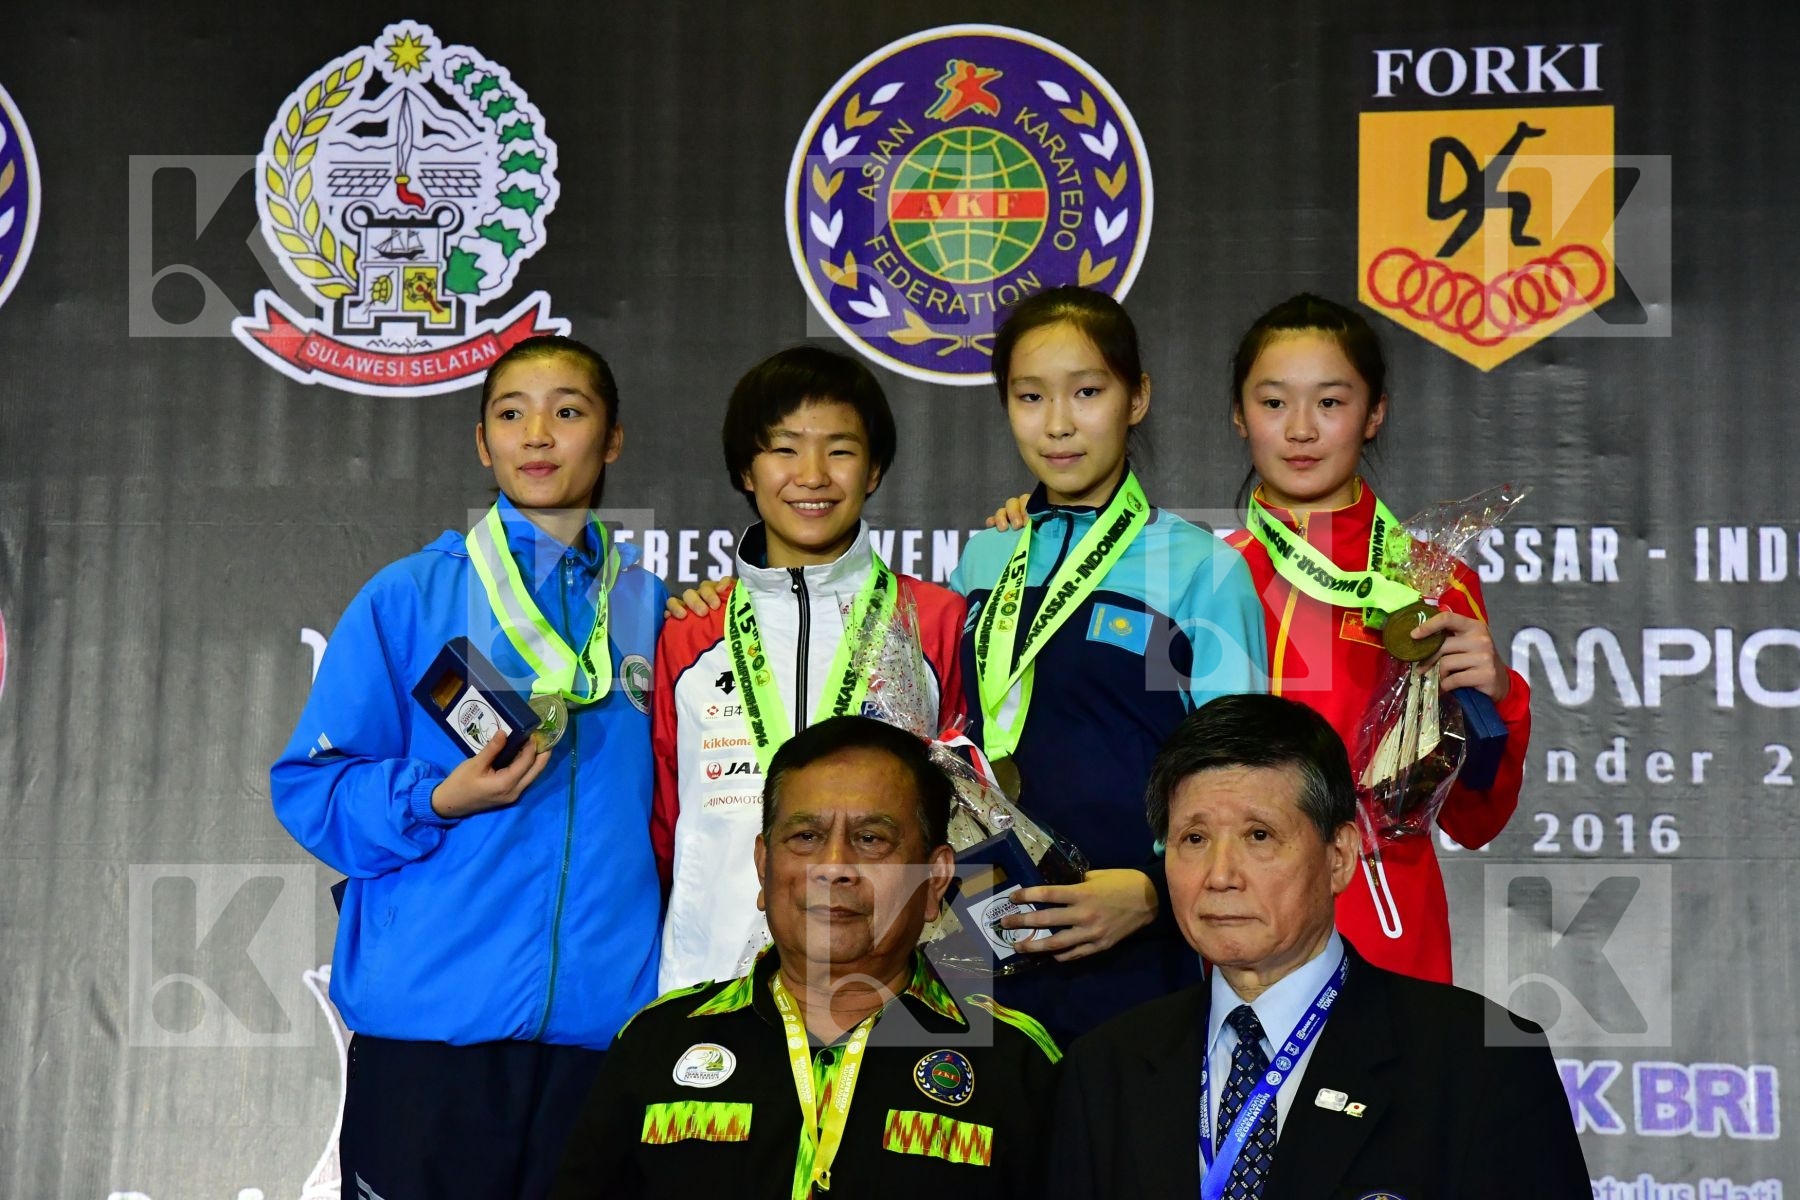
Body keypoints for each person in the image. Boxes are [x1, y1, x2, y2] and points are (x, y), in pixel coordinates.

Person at [987, 293, 1529, 984]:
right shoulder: (1194, 573)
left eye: (1330, 403)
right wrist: (1035, 541)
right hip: (1217, 939)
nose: (1300, 429)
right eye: (1274, 404)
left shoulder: (1425, 587)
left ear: (1376, 413)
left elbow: (1477, 820)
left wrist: (1499, 699)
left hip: (1382, 935)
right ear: (1239, 416)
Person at [270, 336, 667, 1200]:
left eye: (568, 411)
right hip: (428, 1040)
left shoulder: (650, 607)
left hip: (599, 1046)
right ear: (482, 442)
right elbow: (310, 788)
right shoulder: (410, 595)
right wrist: (439, 798)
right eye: (511, 414)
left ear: (613, 439)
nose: (538, 434)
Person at [1048, 693, 1588, 1199]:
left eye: (1259, 835)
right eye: (1194, 838)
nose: (1220, 875)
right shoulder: (1104, 1068)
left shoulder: (1482, 1060)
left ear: (1339, 856)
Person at [553, 716, 1061, 1199]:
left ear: (935, 880)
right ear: (763, 865)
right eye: (805, 837)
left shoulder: (1019, 1064)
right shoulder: (656, 1043)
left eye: (870, 839)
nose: (834, 867)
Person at [950, 286, 1266, 1043]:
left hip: (1128, 942)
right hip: (975, 932)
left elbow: (1242, 777)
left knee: (1117, 1158)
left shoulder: (1200, 569)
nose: (1058, 424)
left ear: (1137, 398)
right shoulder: (984, 558)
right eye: (1030, 397)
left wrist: (1155, 892)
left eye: (1087, 392)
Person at [651, 345, 967, 993]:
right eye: (785, 449)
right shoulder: (688, 633)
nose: (813, 475)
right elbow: (664, 825)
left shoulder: (934, 620)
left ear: (875, 469)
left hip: (895, 990)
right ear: (746, 469)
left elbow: (969, 822)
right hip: (712, 985)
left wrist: (955, 995)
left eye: (841, 450)